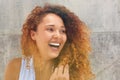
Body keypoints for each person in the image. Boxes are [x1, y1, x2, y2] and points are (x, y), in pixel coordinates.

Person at [4, 4, 94, 80]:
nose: (58, 35)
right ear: (33, 35)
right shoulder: (16, 67)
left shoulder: (72, 73)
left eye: (63, 31)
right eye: (50, 29)